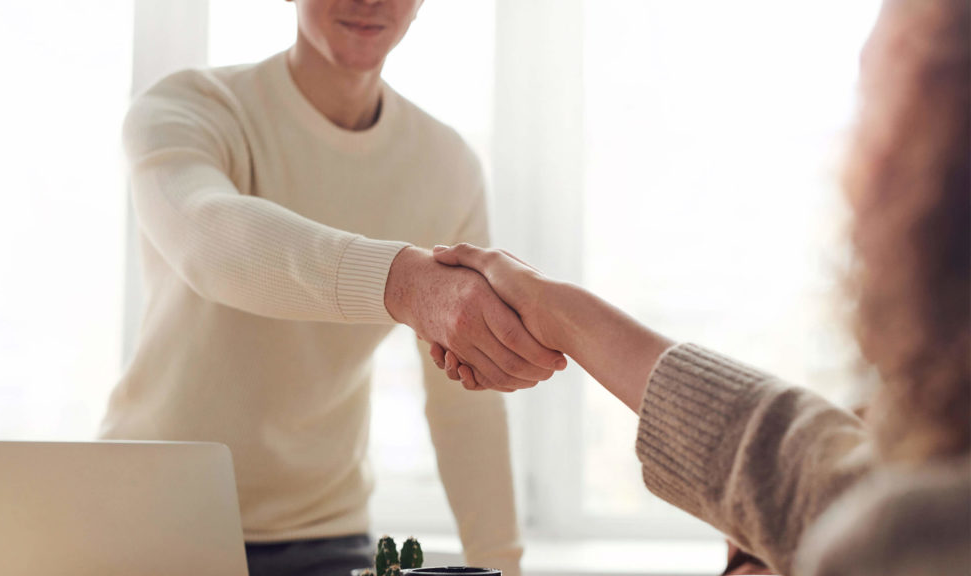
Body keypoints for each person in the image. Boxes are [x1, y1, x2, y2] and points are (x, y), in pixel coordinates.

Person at [428, 0, 970, 574]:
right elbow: (815, 476)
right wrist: (557, 311)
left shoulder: (904, 541)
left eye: (870, 117)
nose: (848, 171)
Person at [100, 1, 565, 574]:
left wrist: (501, 563)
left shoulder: (446, 165)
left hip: (325, 537)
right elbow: (208, 239)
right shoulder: (189, 107)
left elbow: (464, 405)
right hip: (146, 521)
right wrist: (401, 284)